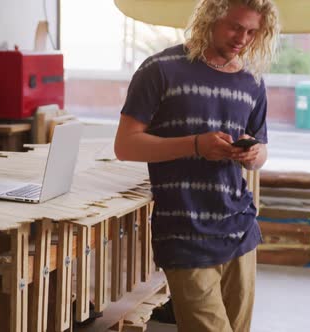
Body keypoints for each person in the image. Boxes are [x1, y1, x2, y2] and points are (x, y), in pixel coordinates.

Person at [114, 0, 280, 331]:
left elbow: (261, 152)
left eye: (252, 31)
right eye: (235, 26)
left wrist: (254, 154)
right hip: (184, 233)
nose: (242, 39)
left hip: (240, 229)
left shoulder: (251, 82)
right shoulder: (159, 70)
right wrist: (194, 145)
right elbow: (125, 145)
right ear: (210, 16)